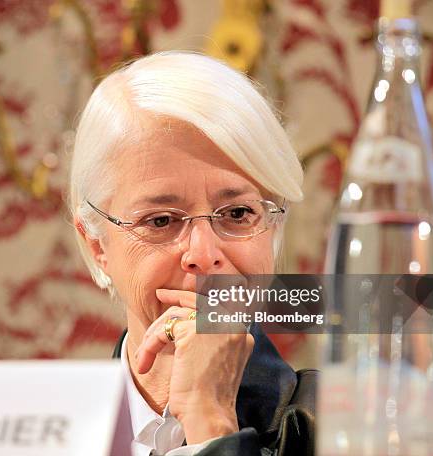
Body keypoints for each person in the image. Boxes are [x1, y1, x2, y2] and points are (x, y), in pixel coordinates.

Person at [69, 51, 316, 455]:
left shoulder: (344, 430)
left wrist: (211, 417)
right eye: (162, 220)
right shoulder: (46, 429)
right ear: (98, 245)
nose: (203, 254)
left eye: (238, 213)